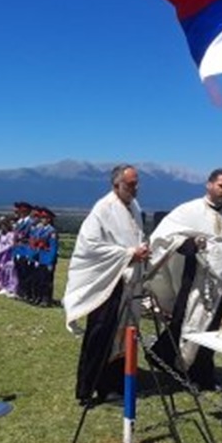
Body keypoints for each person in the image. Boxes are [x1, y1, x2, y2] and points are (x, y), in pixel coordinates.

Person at [147, 169, 222, 389]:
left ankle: (202, 376)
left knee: (211, 331)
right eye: (221, 186)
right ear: (209, 185)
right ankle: (175, 366)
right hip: (195, 279)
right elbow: (166, 237)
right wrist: (190, 244)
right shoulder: (189, 210)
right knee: (187, 323)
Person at [63, 165, 149, 404]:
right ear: (116, 185)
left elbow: (136, 236)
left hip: (128, 282)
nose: (135, 188)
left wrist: (141, 249)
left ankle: (118, 383)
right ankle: (90, 387)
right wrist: (129, 253)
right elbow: (90, 247)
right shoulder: (102, 209)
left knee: (124, 336)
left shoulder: (135, 206)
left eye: (137, 183)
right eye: (130, 184)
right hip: (107, 283)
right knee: (101, 334)